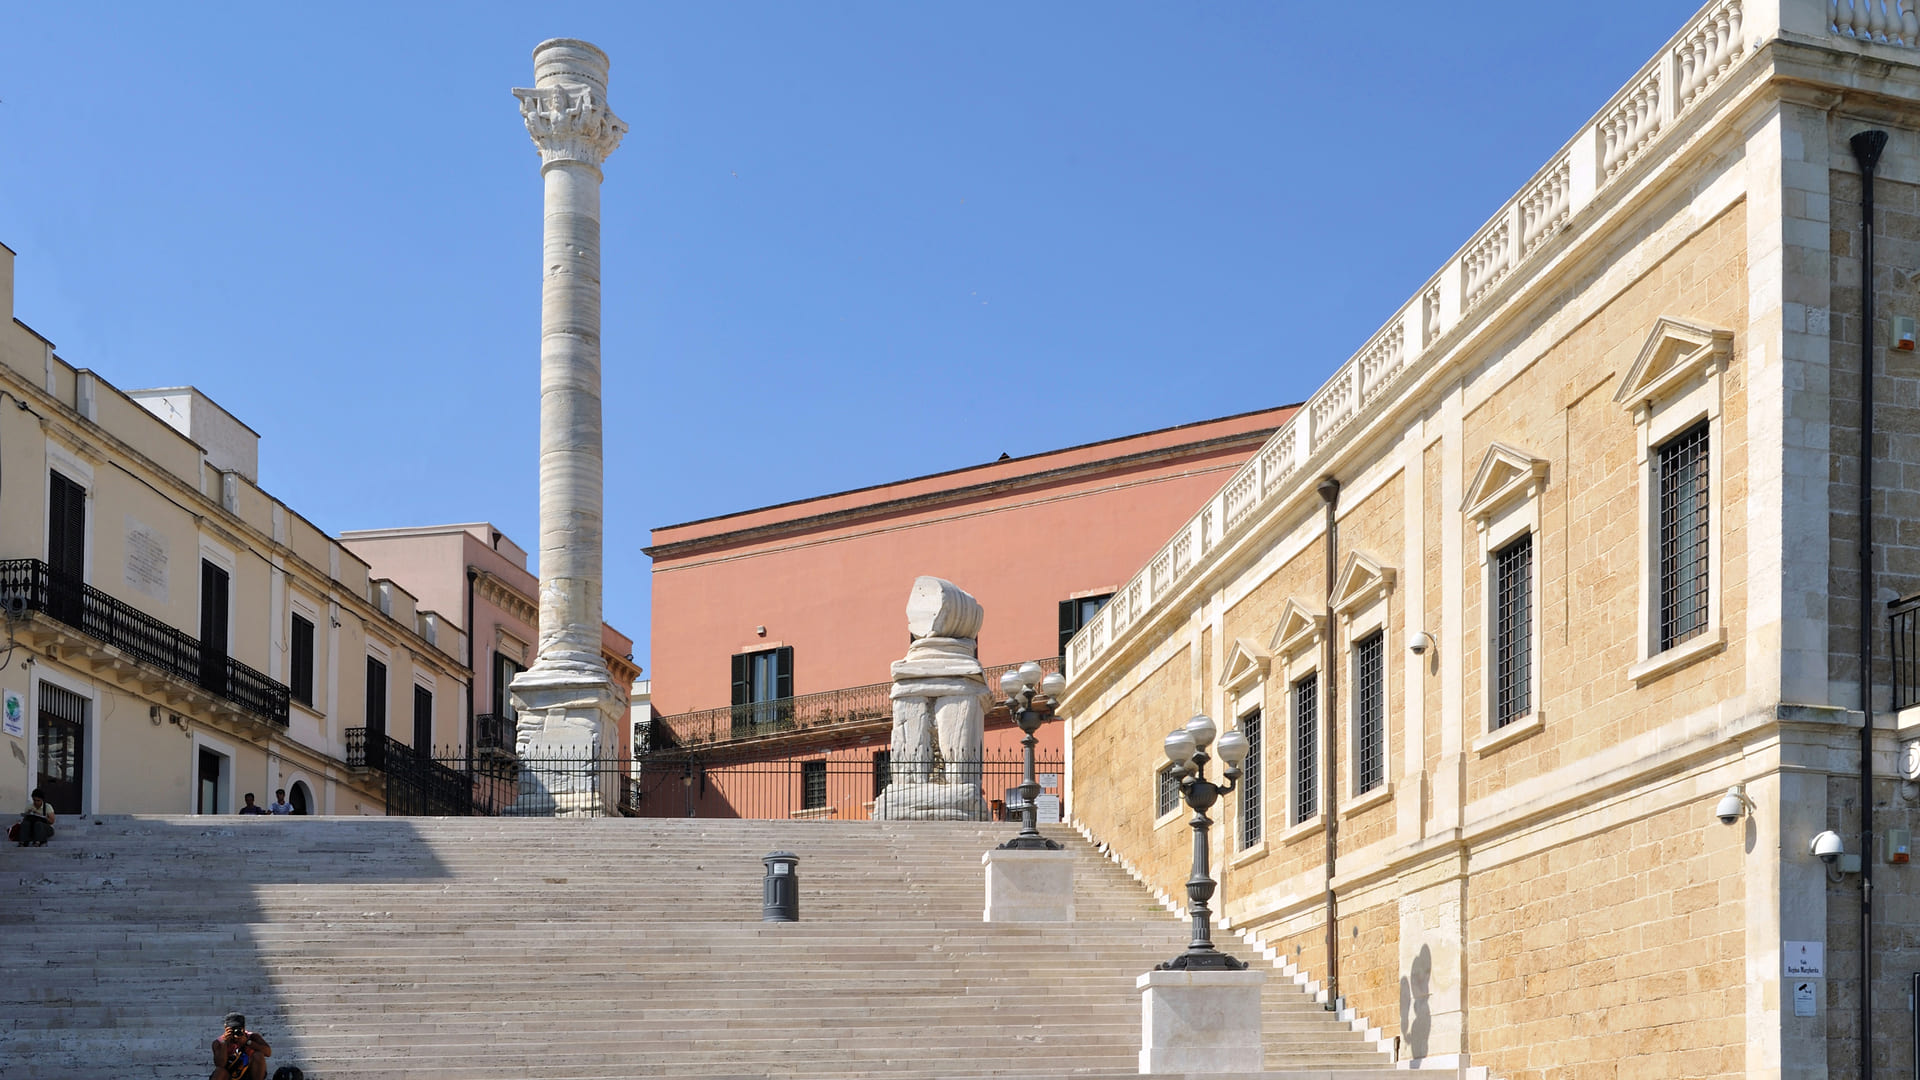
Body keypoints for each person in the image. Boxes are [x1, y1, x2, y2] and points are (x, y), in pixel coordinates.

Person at [211, 1012, 270, 1080]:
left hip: (249, 1072)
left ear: (244, 1028)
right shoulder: (218, 1043)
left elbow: (268, 1052)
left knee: (258, 1055)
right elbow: (220, 1064)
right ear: (225, 1028)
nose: (235, 1031)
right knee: (219, 1071)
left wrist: (248, 1042)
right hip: (230, 1073)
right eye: (232, 1029)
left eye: (238, 1028)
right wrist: (224, 1043)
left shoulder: (252, 1037)